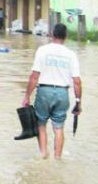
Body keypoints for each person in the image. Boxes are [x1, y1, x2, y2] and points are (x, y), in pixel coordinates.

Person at [21, 24, 82, 159]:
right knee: (58, 127)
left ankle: (43, 154)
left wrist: (27, 96)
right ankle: (57, 157)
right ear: (66, 36)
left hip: (44, 91)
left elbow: (34, 76)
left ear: (52, 34)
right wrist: (78, 102)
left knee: (41, 124)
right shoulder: (71, 55)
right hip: (62, 93)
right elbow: (77, 81)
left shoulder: (42, 50)